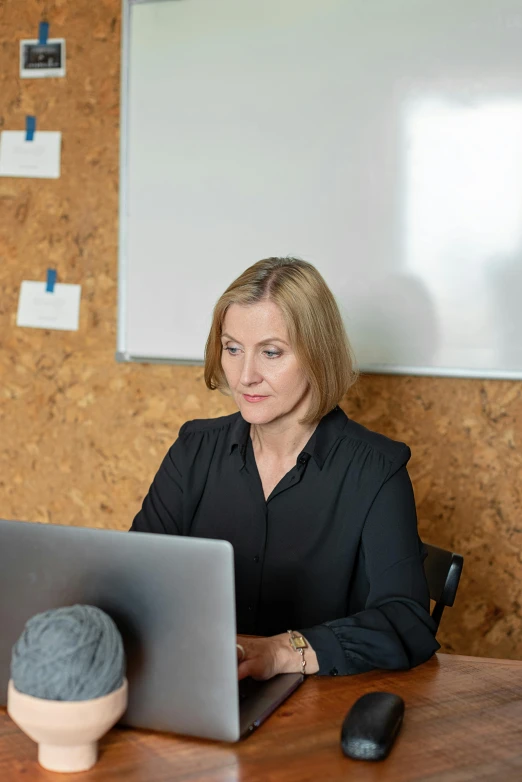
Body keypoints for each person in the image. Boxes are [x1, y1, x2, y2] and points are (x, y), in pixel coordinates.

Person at [131, 257, 440, 680]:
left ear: (318, 354)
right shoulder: (194, 450)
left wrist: (281, 651)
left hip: (321, 710)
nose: (245, 376)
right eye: (233, 349)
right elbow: (134, 577)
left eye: (271, 352)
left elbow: (407, 621)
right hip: (199, 684)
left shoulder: (376, 471)